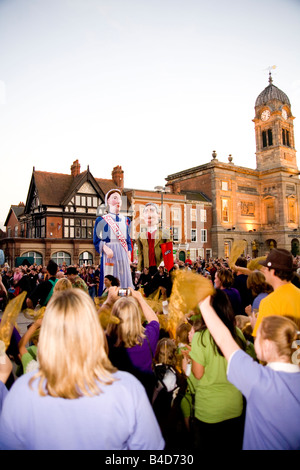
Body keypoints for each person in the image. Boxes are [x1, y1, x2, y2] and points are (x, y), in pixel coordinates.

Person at [0, 289, 165, 450]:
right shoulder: (127, 389)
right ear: (93, 330)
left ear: (47, 332)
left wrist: (107, 303)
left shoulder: (22, 391)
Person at [198, 295, 300, 450]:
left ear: (266, 345)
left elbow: (223, 339)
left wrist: (204, 306)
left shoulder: (259, 381)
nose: (253, 338)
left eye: (256, 336)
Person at [189, 289, 249, 451]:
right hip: (235, 406)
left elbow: (197, 373)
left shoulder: (200, 337)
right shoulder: (237, 333)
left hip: (209, 411)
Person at [106, 287, 160, 399]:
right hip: (143, 397)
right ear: (137, 317)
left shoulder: (107, 341)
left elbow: (91, 329)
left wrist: (108, 301)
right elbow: (154, 321)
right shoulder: (149, 338)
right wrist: (140, 299)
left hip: (115, 399)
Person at [93, 189, 133, 296]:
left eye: (119, 198)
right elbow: (96, 240)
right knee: (110, 278)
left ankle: (124, 301)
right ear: (108, 202)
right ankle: (110, 300)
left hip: (122, 253)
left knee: (124, 279)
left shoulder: (126, 220)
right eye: (114, 198)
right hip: (109, 255)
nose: (118, 201)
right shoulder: (101, 220)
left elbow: (128, 240)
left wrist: (129, 252)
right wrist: (104, 248)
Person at [252, 248, 300, 336]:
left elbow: (263, 345)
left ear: (273, 271)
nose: (264, 271)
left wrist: (255, 327)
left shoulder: (269, 302)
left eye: (266, 268)